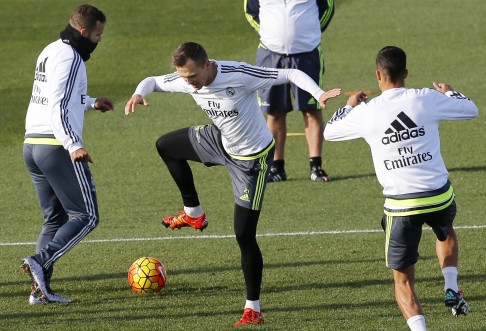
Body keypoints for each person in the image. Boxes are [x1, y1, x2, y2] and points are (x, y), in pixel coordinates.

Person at [124, 42, 340, 326]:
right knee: (166, 146)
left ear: (207, 64)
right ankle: (193, 213)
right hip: (220, 141)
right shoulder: (187, 79)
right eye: (183, 77)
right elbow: (152, 81)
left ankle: (253, 308)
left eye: (192, 77)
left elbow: (288, 74)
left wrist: (318, 93)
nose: (188, 83)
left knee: (243, 234)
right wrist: (139, 92)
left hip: (252, 161)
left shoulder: (238, 74)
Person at [324, 46, 477, 331]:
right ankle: (451, 288)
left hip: (401, 205)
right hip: (439, 195)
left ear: (378, 75)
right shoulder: (426, 98)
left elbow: (329, 132)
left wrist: (349, 106)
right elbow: (471, 109)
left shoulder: (367, 112)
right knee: (445, 230)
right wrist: (449, 92)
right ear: (406, 73)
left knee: (403, 281)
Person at [22, 4, 114, 305]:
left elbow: (56, 96)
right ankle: (41, 260)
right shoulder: (72, 57)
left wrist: (90, 103)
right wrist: (74, 144)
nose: (99, 40)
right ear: (84, 32)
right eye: (98, 34)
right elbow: (58, 106)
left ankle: (40, 291)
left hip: (32, 145)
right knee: (87, 215)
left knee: (54, 219)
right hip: (55, 146)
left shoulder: (50, 50)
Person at [244, 0, 335, 182]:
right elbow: (250, 11)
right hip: (271, 54)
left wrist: (310, 34)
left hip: (307, 52)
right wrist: (269, 35)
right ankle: (276, 168)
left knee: (312, 109)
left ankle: (316, 166)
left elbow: (327, 8)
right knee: (274, 112)